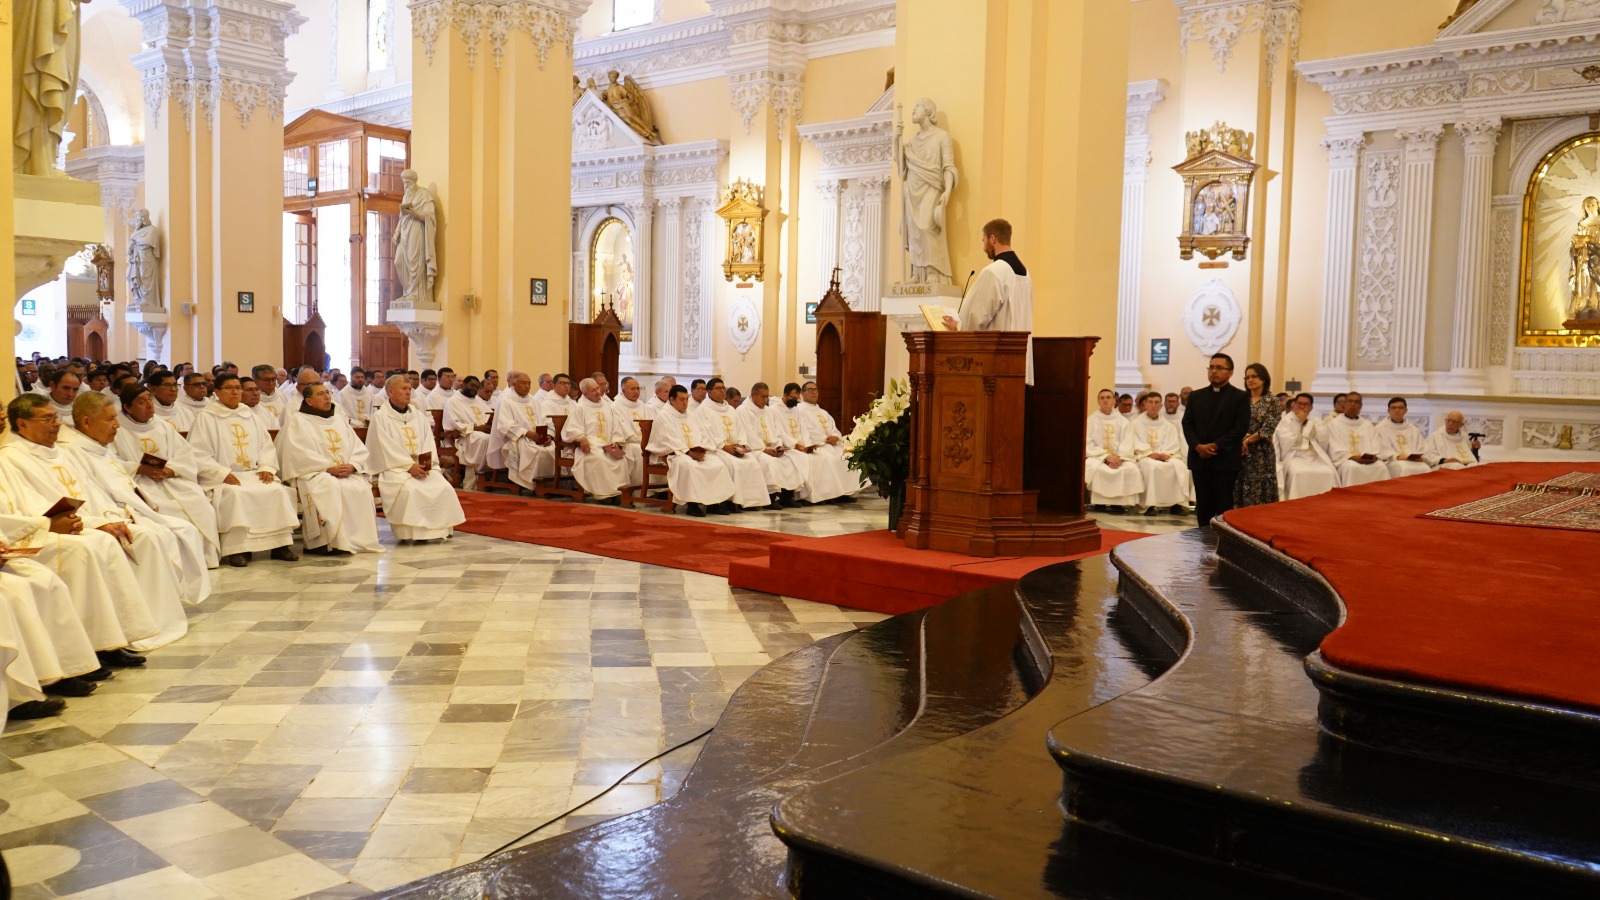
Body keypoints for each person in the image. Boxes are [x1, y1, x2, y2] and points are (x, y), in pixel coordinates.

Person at [0, 394, 191, 650]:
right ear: (22, 424)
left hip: (75, 525)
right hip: (36, 533)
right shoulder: (12, 458)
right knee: (89, 549)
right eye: (48, 419)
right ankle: (93, 645)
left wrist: (100, 521)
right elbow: (24, 507)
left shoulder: (60, 453)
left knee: (130, 537)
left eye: (56, 417)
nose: (57, 424)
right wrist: (51, 525)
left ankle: (124, 636)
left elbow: (89, 494)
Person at [61, 392, 213, 606]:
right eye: (110, 419)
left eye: (115, 417)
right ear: (86, 422)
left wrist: (146, 503)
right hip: (110, 515)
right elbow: (91, 493)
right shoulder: (72, 451)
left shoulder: (96, 447)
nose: (117, 425)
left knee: (185, 529)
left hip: (128, 508)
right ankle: (152, 604)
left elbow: (119, 479)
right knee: (157, 536)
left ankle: (167, 600)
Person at [187, 374, 301, 567]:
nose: (235, 392)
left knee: (277, 490)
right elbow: (197, 454)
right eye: (229, 388)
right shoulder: (207, 418)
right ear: (217, 392)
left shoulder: (250, 415)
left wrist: (266, 467)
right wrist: (222, 473)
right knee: (235, 495)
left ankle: (280, 545)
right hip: (225, 476)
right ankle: (238, 549)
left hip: (254, 473)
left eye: (238, 388)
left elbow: (266, 445)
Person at [113, 384, 222, 567]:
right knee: (163, 509)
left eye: (149, 399)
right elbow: (109, 461)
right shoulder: (116, 430)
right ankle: (173, 563)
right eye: (141, 401)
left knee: (200, 503)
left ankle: (204, 559)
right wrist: (139, 468)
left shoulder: (163, 426)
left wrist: (170, 470)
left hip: (170, 480)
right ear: (127, 407)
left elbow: (186, 455)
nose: (149, 405)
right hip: (139, 483)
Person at [275, 380, 381, 556]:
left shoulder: (339, 420)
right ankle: (324, 542)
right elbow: (296, 453)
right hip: (314, 473)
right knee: (329, 487)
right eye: (320, 394)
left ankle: (356, 541)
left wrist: (353, 465)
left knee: (359, 487)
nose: (326, 397)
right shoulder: (297, 422)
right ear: (308, 401)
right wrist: (328, 468)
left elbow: (358, 448)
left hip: (344, 472)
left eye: (327, 393)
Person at [365, 375, 465, 542]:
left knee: (443, 488)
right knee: (410, 490)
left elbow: (428, 442)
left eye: (409, 389)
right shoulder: (380, 417)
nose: (408, 392)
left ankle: (439, 531)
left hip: (421, 467)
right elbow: (383, 447)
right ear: (390, 392)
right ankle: (412, 533)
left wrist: (427, 464)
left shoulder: (418, 416)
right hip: (395, 468)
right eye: (403, 389)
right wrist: (408, 466)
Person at [941, 218, 1035, 381]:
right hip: (1019, 362)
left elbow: (976, 316)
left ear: (993, 239)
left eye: (984, 241)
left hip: (996, 363)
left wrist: (959, 325)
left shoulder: (994, 272)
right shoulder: (1025, 274)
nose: (984, 247)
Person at [1182, 353, 1250, 528]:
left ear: (1230, 372)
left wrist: (1217, 445)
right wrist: (1197, 446)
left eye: (1219, 368)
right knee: (1203, 507)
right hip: (1200, 459)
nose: (1214, 371)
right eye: (1211, 367)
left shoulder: (1240, 397)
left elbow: (1240, 428)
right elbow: (1187, 424)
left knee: (1223, 506)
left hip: (1225, 460)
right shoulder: (1196, 396)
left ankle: (1222, 545)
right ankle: (1201, 545)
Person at [645, 386, 736, 517]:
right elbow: (666, 440)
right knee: (690, 466)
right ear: (672, 399)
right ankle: (692, 505)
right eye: (681, 399)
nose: (685, 403)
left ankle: (714, 504)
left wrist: (702, 449)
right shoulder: (664, 416)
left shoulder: (691, 414)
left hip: (695, 452)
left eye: (687, 399)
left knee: (717, 464)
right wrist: (688, 452)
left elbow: (704, 434)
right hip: (675, 454)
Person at [897, 97, 958, 284]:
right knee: (914, 230)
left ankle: (933, 271)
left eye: (917, 107)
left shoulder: (942, 137)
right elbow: (902, 170)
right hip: (912, 189)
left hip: (932, 187)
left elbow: (948, 166)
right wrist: (895, 140)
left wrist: (947, 191)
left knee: (926, 226)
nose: (913, 110)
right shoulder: (911, 142)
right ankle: (917, 270)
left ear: (928, 111)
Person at [695, 378, 771, 511]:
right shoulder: (703, 410)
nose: (722, 391)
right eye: (718, 388)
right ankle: (730, 501)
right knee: (734, 465)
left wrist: (741, 444)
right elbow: (705, 432)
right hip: (718, 448)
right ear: (709, 391)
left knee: (752, 462)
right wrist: (723, 446)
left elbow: (741, 430)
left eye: (723, 388)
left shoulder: (730, 409)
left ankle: (750, 501)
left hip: (734, 448)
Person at [563, 378, 639, 502]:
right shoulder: (579, 408)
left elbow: (616, 426)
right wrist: (581, 438)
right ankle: (603, 494)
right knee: (599, 458)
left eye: (597, 388)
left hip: (608, 443)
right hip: (590, 445)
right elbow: (572, 428)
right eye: (593, 391)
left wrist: (615, 440)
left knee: (621, 459)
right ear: (585, 394)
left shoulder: (608, 407)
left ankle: (618, 492)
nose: (598, 392)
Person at [737, 382, 805, 509]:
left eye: (767, 396)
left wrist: (778, 447)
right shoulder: (743, 410)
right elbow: (748, 434)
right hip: (755, 450)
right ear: (753, 395)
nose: (766, 400)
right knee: (769, 462)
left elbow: (776, 431)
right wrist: (764, 449)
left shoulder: (768, 411)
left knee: (790, 459)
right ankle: (771, 498)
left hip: (770, 449)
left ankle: (787, 496)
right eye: (763, 396)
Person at [794, 382, 859, 503]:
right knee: (829, 459)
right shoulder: (798, 411)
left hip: (830, 444)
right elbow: (803, 431)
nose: (814, 392)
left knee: (846, 456)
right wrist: (821, 440)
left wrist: (835, 436)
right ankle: (830, 495)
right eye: (810, 390)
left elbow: (834, 429)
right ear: (802, 393)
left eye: (816, 390)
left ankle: (845, 492)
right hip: (817, 445)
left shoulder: (823, 412)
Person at [1126, 391, 1189, 516]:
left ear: (1161, 405)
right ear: (1145, 404)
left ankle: (1177, 504)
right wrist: (1149, 453)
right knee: (1151, 467)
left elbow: (1173, 442)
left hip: (1166, 455)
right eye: (1150, 402)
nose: (1153, 405)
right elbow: (1134, 442)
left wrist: (1166, 453)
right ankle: (1149, 505)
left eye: (1156, 402)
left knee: (1180, 466)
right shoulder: (1136, 423)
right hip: (1144, 456)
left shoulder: (1168, 425)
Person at [493, 373, 555, 492]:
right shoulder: (506, 400)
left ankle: (545, 485)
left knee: (550, 449)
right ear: (514, 384)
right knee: (534, 450)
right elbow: (504, 423)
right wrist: (526, 433)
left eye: (529, 383)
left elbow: (546, 420)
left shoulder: (534, 401)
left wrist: (548, 436)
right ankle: (527, 482)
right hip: (518, 438)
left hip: (538, 438)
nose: (527, 386)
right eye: (523, 383)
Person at [1084, 389, 1143, 513]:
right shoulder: (1091, 420)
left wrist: (1118, 458)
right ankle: (1099, 503)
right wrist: (1106, 457)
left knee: (1131, 469)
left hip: (1119, 458)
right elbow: (1088, 443)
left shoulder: (1124, 422)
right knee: (1096, 468)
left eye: (1108, 397)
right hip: (1098, 457)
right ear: (1098, 401)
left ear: (1114, 401)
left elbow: (1128, 442)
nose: (1105, 400)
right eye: (1102, 398)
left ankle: (1119, 504)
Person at [1273, 393, 1339, 500]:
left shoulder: (1315, 421)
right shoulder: (1285, 421)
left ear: (1311, 407)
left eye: (1306, 404)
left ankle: (1326, 503)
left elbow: (1323, 440)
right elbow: (1287, 442)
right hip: (1294, 456)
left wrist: (1306, 423)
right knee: (1298, 472)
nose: (1302, 407)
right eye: (1300, 403)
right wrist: (1302, 424)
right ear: (1293, 405)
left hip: (1315, 456)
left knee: (1328, 471)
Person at [1234, 363, 1282, 509]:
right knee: (1239, 482)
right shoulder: (1241, 399)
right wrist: (1239, 441)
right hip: (1239, 448)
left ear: (1263, 378)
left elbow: (1269, 427)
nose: (1250, 379)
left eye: (1254, 376)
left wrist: (1248, 441)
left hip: (1261, 450)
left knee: (1259, 484)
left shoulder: (1272, 400)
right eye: (1247, 377)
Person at [1323, 392, 1390, 487]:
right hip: (1346, 460)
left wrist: (1374, 456)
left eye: (1356, 402)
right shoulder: (1334, 424)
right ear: (1344, 404)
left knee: (1381, 466)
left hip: (1367, 460)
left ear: (1361, 406)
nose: (1353, 404)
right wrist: (1352, 457)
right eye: (1350, 401)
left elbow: (1376, 444)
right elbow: (1335, 447)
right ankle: (1352, 498)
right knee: (1352, 467)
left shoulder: (1367, 425)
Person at [395, 169, 439, 307]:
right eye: (404, 183)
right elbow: (402, 217)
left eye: (408, 183)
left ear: (414, 182)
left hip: (417, 231)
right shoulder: (406, 197)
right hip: (404, 232)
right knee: (399, 261)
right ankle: (408, 292)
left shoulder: (424, 195)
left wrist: (415, 213)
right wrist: (396, 232)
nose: (406, 186)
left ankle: (416, 293)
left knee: (415, 261)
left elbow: (430, 216)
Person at [445, 376, 495, 479]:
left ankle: (492, 475)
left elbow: (488, 415)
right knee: (485, 439)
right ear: (464, 384)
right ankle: (479, 474)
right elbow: (455, 424)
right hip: (463, 435)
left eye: (477, 387)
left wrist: (489, 425)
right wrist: (476, 428)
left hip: (479, 433)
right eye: (472, 385)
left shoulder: (478, 400)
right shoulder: (453, 401)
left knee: (496, 437)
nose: (474, 389)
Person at [1375, 397, 1430, 479]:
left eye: (1400, 408)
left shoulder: (1413, 429)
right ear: (1388, 411)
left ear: (1406, 410)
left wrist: (1420, 457)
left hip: (1413, 461)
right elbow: (1381, 449)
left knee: (1425, 468)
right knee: (1403, 467)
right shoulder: (1380, 428)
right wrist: (1397, 456)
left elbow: (1422, 448)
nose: (1397, 410)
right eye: (1393, 408)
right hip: (1392, 461)